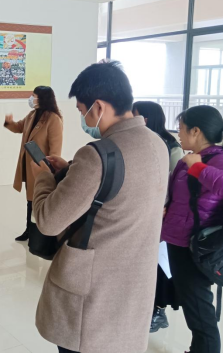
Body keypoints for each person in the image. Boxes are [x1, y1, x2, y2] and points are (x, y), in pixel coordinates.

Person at [31, 61, 169, 353]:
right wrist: (70, 170)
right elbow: (119, 191)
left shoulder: (97, 155)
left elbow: (48, 221)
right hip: (134, 283)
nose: (83, 118)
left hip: (93, 296)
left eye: (82, 110)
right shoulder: (156, 143)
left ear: (99, 107)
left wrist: (43, 177)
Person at [162, 105, 223, 353]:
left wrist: (197, 167)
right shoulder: (189, 158)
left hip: (196, 246)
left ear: (196, 131)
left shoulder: (216, 159)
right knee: (194, 307)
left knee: (199, 311)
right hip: (178, 240)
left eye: (181, 128)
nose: (178, 133)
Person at [133, 101, 184, 332]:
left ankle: (159, 311)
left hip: (161, 214)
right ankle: (144, 307)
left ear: (145, 119)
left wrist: (166, 208)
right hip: (141, 211)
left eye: (134, 115)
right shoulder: (138, 141)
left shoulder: (171, 147)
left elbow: (175, 185)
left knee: (160, 264)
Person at [4, 86, 63, 241]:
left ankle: (39, 234)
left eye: (33, 96)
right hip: (29, 166)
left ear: (42, 98)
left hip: (42, 168)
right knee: (30, 200)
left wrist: (50, 169)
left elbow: (55, 149)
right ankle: (29, 231)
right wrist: (9, 122)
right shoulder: (32, 115)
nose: (31, 99)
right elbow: (18, 127)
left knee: (38, 200)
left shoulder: (53, 119)